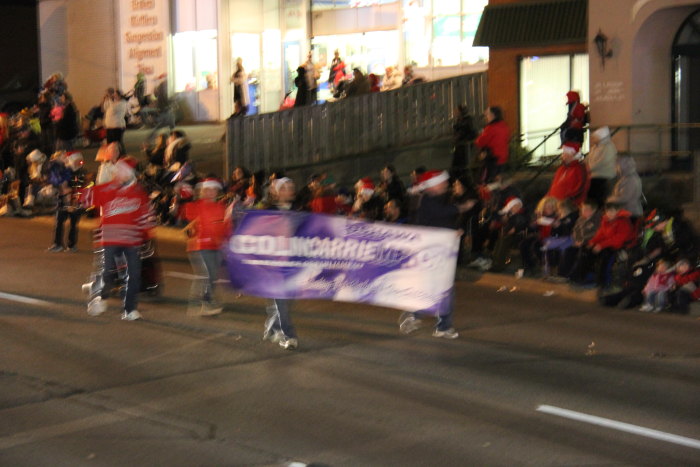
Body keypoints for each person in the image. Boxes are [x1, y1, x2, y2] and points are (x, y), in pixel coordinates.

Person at [398, 170, 476, 339]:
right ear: (433, 185)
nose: (446, 184)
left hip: (441, 252)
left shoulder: (439, 199)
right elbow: (442, 214)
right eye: (443, 182)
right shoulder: (428, 200)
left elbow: (443, 221)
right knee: (437, 288)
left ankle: (437, 323)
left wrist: (455, 231)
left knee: (443, 289)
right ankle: (418, 316)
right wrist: (462, 207)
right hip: (430, 253)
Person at [87, 156, 155, 321]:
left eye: (120, 171)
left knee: (133, 275)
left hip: (131, 240)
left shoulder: (139, 193)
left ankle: (129, 309)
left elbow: (146, 215)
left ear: (129, 173)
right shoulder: (106, 189)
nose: (116, 173)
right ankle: (101, 299)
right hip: (110, 238)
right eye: (116, 171)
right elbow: (86, 198)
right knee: (107, 273)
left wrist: (147, 234)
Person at [261, 177, 299, 350]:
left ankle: (272, 328)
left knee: (286, 302)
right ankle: (288, 335)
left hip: (293, 264)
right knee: (282, 301)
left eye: (290, 187)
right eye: (284, 187)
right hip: (274, 265)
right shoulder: (267, 211)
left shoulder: (299, 211)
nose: (288, 190)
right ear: (275, 192)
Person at [183, 177, 229, 316]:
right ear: (202, 191)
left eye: (213, 189)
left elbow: (226, 226)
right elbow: (187, 213)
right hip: (200, 246)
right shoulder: (197, 205)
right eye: (207, 189)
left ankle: (201, 302)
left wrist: (226, 241)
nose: (210, 192)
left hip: (216, 247)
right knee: (207, 275)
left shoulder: (221, 207)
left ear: (217, 191)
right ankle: (203, 304)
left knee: (211, 276)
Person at [47, 151, 86, 252]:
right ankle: (58, 243)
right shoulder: (65, 171)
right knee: (59, 221)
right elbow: (60, 185)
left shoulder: (79, 172)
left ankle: (71, 244)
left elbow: (80, 187)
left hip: (75, 200)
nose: (78, 163)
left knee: (73, 223)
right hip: (64, 200)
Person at [547, 141, 590, 206]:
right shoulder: (561, 169)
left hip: (568, 205)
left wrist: (568, 199)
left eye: (564, 153)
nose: (562, 156)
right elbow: (554, 185)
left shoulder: (580, 168)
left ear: (572, 154)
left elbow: (581, 187)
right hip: (555, 203)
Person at [475, 106, 510, 183]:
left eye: (487, 114)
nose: (486, 117)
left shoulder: (491, 128)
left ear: (493, 115)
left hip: (492, 159)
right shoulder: (504, 126)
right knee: (498, 181)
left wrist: (481, 134)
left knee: (487, 181)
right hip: (502, 158)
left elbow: (480, 142)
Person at [586, 126, 617, 207]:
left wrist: (589, 168)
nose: (592, 139)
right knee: (592, 198)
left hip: (604, 176)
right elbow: (588, 159)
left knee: (600, 198)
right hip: (594, 176)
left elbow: (602, 161)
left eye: (594, 137)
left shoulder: (609, 147)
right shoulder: (595, 148)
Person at [606, 156, 643, 221]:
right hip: (626, 211)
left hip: (630, 213)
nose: (615, 167)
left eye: (616, 165)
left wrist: (610, 199)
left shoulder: (630, 179)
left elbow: (625, 198)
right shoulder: (626, 177)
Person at [451, 105, 478, 177]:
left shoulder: (466, 120)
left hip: (464, 144)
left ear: (460, 111)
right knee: (459, 161)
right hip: (461, 144)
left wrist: (457, 138)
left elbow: (464, 131)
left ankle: (462, 174)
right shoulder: (460, 120)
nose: (454, 113)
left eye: (456, 111)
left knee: (462, 161)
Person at [103, 88, 128, 154]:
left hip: (117, 126)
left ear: (119, 95)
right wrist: (107, 99)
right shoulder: (114, 103)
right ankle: (112, 156)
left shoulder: (122, 103)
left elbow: (112, 110)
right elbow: (105, 108)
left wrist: (110, 100)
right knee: (110, 143)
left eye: (115, 94)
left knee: (117, 144)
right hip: (110, 126)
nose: (114, 96)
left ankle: (122, 156)